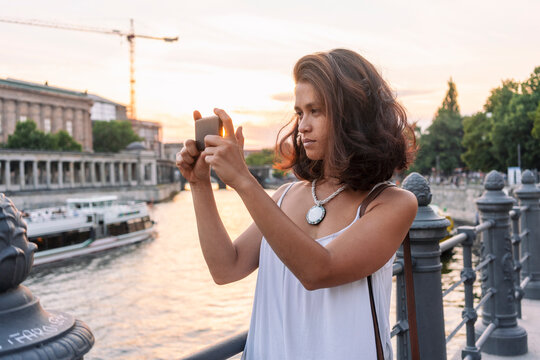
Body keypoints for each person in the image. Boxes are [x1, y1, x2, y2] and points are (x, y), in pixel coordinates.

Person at [176, 48, 417, 360]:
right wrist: (199, 184)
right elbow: (226, 268)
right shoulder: (286, 196)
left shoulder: (392, 203)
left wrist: (244, 180)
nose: (302, 126)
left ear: (353, 116)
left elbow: (318, 271)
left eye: (316, 111)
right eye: (300, 112)